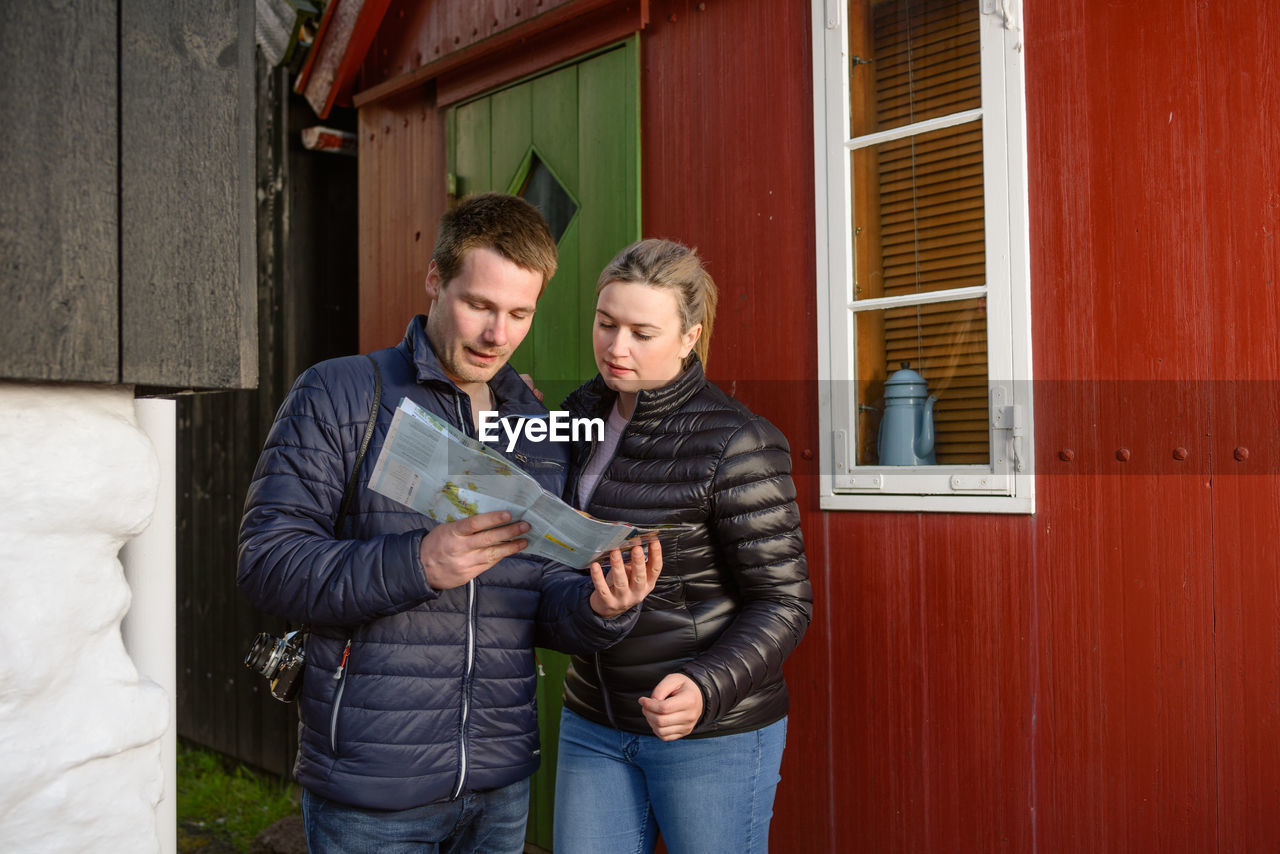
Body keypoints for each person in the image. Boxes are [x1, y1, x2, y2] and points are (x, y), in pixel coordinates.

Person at [237, 193, 661, 853]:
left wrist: (603, 607)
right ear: (435, 280)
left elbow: (533, 602)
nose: (499, 335)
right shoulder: (341, 393)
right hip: (373, 790)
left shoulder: (533, 427)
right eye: (480, 306)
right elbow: (267, 564)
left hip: (500, 788)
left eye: (520, 313)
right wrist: (418, 563)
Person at [551, 239, 813, 853]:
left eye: (643, 332)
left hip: (709, 728)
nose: (617, 348)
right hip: (593, 715)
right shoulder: (579, 413)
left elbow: (784, 603)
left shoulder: (736, 441)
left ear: (689, 337)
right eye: (606, 323)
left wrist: (704, 685)